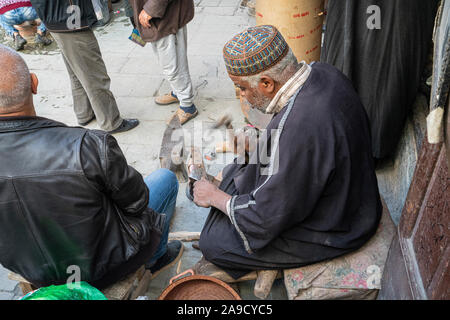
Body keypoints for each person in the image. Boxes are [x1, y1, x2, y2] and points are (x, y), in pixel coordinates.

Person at [192, 26, 382, 279]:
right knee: (237, 171)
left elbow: (264, 219)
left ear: (267, 83)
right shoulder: (323, 71)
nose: (243, 97)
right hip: (350, 194)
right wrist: (256, 151)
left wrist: (215, 197)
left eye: (243, 88)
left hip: (339, 225)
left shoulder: (298, 127)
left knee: (213, 242)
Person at [0, 44, 183, 289]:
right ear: (34, 84)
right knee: (165, 179)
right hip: (106, 269)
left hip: (35, 273)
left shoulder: (86, 147)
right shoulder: (88, 145)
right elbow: (138, 202)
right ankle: (156, 257)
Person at [30, 0, 139, 133]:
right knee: (94, 74)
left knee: (76, 71)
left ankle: (84, 113)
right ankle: (111, 121)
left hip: (58, 19)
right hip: (70, 18)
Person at [131, 0, 198, 125]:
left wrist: (151, 8)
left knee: (173, 65)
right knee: (168, 61)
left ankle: (187, 106)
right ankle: (178, 92)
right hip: (158, 15)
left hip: (166, 15)